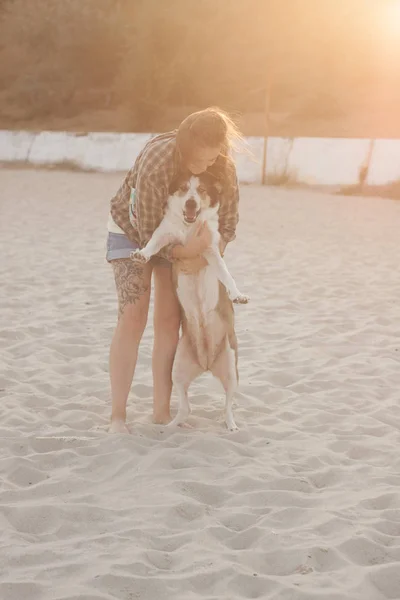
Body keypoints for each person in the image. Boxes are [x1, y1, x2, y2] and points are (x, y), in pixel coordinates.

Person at [106, 107, 242, 433]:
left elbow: (228, 221)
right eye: (198, 162)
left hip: (183, 234)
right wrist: (187, 251)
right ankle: (117, 416)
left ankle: (161, 412)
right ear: (184, 146)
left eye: (211, 160)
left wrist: (208, 251)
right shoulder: (157, 162)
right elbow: (148, 231)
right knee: (133, 316)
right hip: (134, 229)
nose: (205, 166)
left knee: (169, 320)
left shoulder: (222, 165)